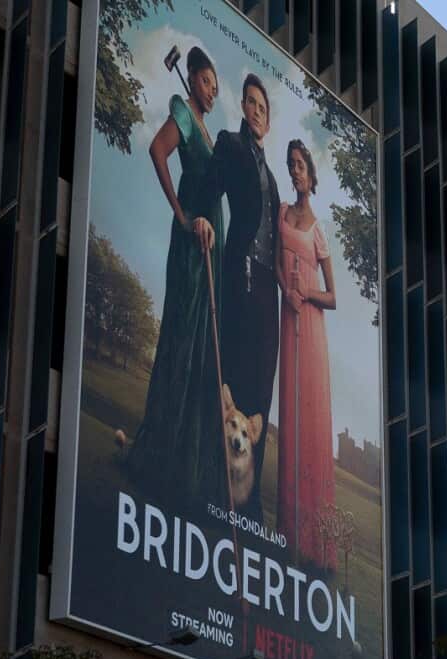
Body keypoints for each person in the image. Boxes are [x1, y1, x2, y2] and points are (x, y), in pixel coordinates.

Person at [125, 46, 224, 501]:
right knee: (182, 344)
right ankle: (159, 459)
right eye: (206, 80)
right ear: (192, 78)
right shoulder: (184, 114)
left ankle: (184, 465)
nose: (212, 88)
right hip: (190, 249)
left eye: (215, 84)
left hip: (210, 251)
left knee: (200, 348)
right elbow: (157, 151)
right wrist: (184, 216)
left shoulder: (205, 128)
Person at [194, 74, 281, 521]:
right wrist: (204, 219)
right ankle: (219, 485)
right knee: (237, 381)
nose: (256, 111)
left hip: (271, 292)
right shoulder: (229, 144)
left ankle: (249, 499)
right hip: (241, 275)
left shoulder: (273, 177)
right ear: (243, 107)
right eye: (250, 102)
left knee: (262, 391)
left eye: (263, 107)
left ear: (269, 118)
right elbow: (211, 186)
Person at [276, 139, 339, 570]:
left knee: (311, 422)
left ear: (312, 178)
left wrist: (307, 293)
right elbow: (279, 263)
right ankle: (286, 534)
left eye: (301, 166)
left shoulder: (318, 229)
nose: (296, 171)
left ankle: (314, 545)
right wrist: (286, 290)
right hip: (287, 319)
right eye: (291, 165)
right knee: (290, 415)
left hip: (311, 327)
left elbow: (334, 297)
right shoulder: (281, 212)